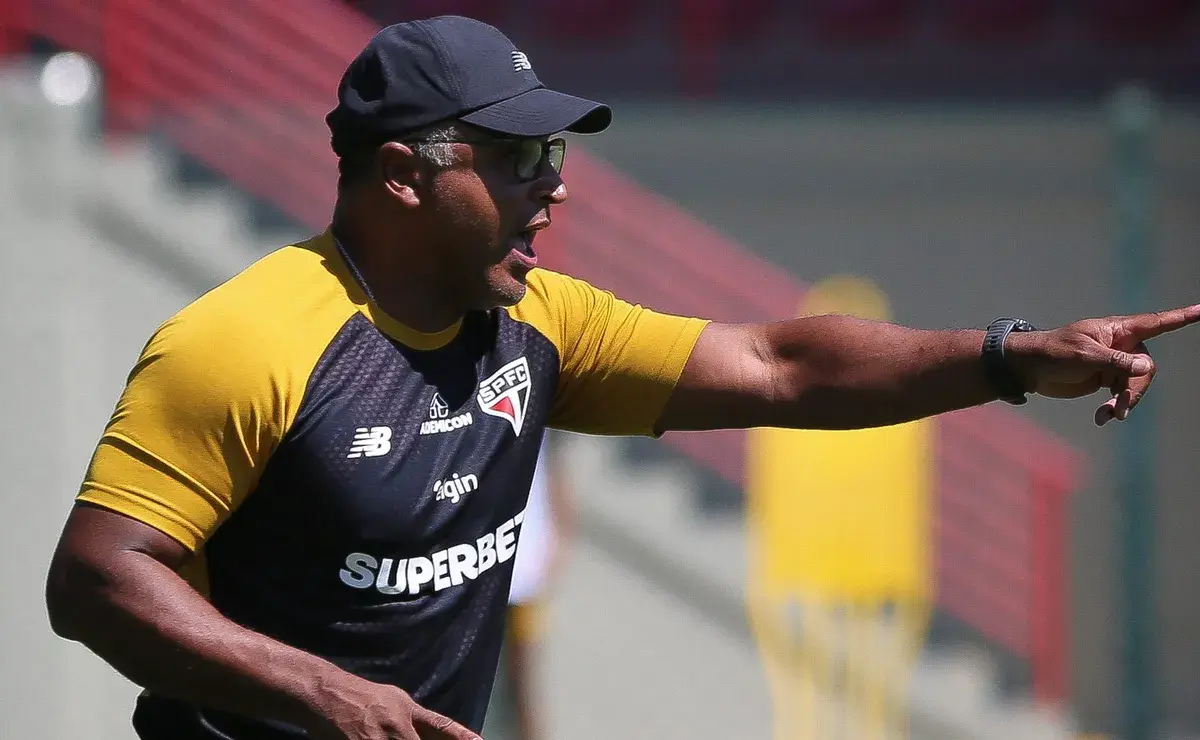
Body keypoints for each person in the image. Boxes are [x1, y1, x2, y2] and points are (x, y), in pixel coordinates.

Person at [43, 14, 1196, 740]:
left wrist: (1006, 355)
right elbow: (94, 581)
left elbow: (779, 365)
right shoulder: (241, 342)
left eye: (555, 154)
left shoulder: (536, 319)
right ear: (402, 174)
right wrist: (327, 695)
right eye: (515, 158)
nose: (555, 186)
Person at [481, 433, 572, 740]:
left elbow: (556, 470)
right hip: (475, 567)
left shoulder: (540, 400)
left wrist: (560, 537)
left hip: (525, 572)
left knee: (523, 685)